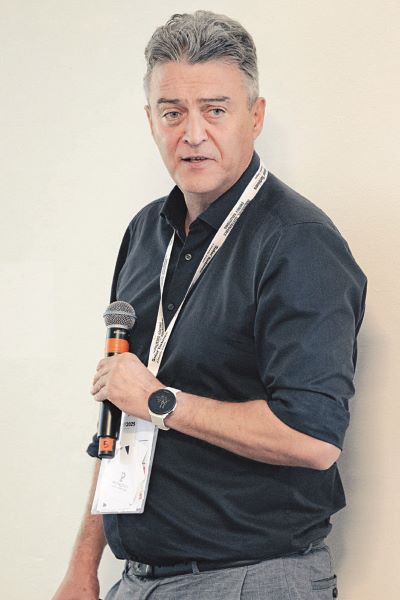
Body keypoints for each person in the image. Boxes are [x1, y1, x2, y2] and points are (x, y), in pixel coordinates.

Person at [53, 10, 367, 600]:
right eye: (172, 112)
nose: (192, 133)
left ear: (256, 116)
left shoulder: (299, 243)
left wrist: (159, 401)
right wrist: (82, 567)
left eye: (215, 110)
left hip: (252, 579)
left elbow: (312, 440)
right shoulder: (146, 232)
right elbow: (121, 414)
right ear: (150, 121)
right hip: (137, 578)